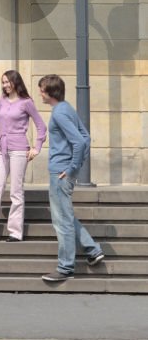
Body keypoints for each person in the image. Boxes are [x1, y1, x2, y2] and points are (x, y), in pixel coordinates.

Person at [38, 74, 104, 283]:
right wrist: (75, 168)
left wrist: (72, 167)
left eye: (41, 89)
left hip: (60, 173)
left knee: (62, 222)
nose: (40, 93)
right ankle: (92, 250)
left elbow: (79, 141)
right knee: (64, 216)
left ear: (49, 92)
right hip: (63, 171)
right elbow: (85, 137)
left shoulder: (59, 113)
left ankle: (65, 267)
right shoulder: (66, 108)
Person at [0, 70, 47, 243]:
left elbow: (41, 127)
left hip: (19, 149)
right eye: (3, 82)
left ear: (15, 82)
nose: (5, 85)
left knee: (16, 191)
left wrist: (36, 148)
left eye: (7, 82)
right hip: (2, 150)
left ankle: (15, 232)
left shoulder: (26, 102)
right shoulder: (2, 101)